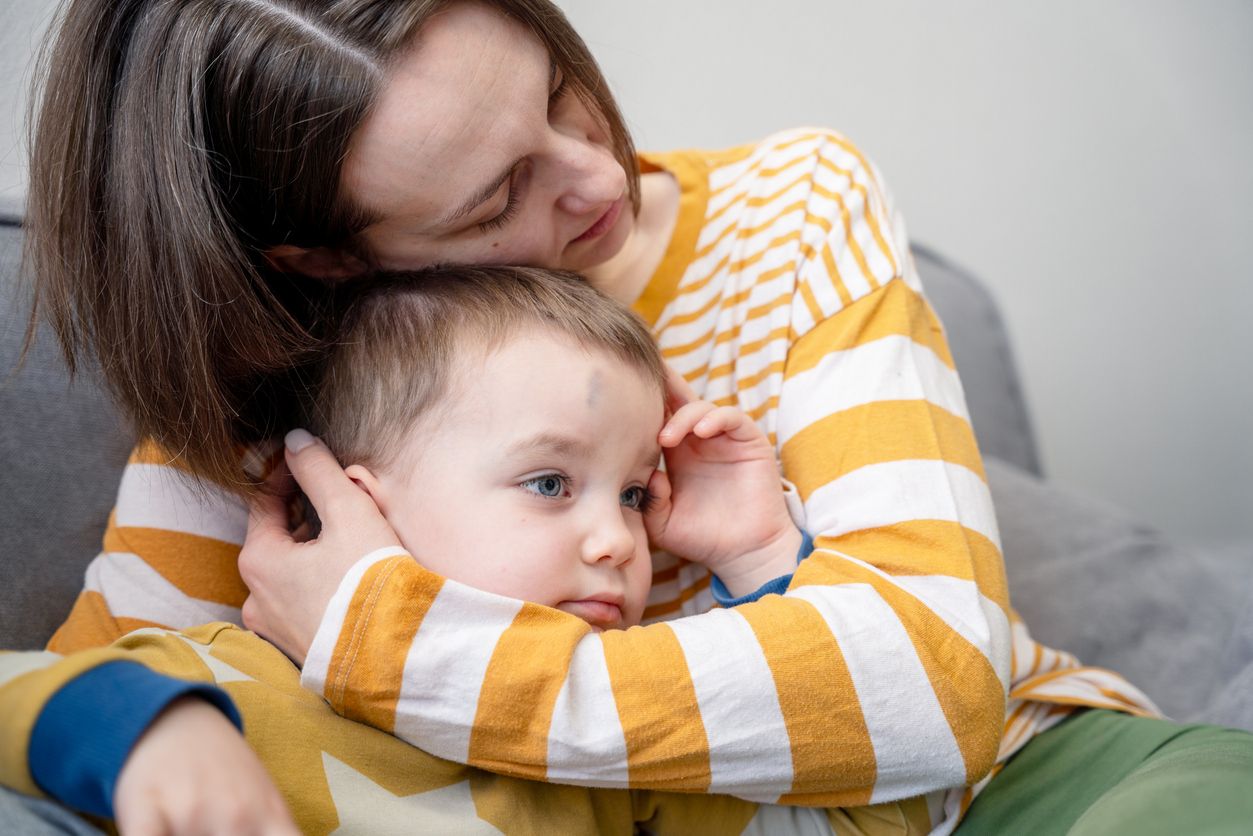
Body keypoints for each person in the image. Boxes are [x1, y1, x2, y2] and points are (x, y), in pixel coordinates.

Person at [4, 0, 1249, 833]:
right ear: (326, 260)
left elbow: (933, 682)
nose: (602, 175)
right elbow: (79, 694)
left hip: (1030, 786)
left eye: (560, 93)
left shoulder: (791, 213)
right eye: (496, 195)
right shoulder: (275, 393)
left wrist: (395, 642)